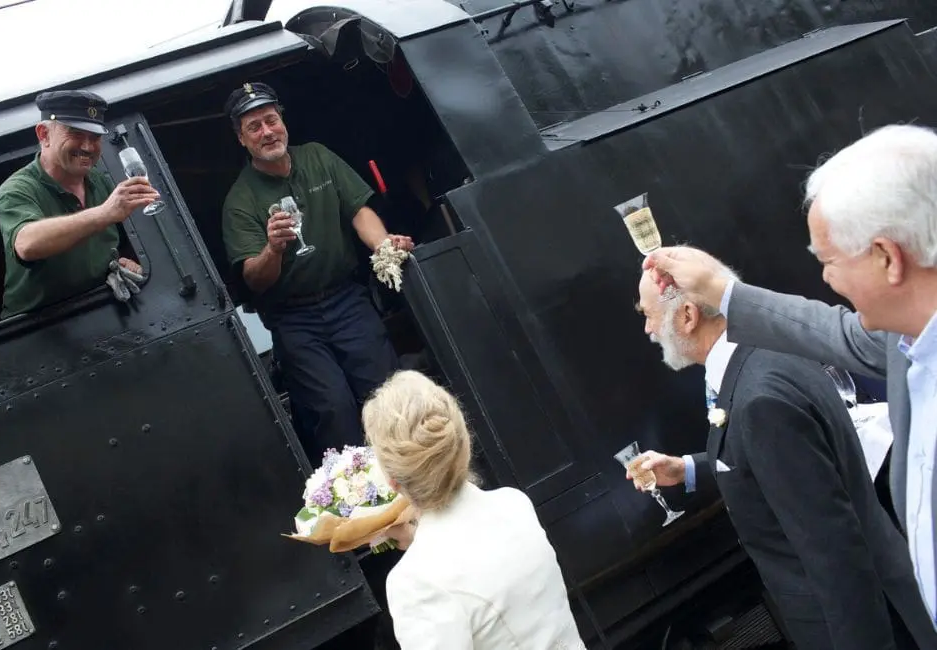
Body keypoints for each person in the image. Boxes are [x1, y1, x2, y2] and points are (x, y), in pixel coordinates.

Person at [643, 123, 937, 627]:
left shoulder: (762, 394)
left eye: (829, 261)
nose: (825, 279)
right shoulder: (901, 343)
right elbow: (837, 333)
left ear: (888, 257)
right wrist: (721, 289)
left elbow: (833, 546)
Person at [629, 264, 936, 649]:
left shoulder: (759, 401)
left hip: (855, 623)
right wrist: (688, 469)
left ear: (688, 316)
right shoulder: (771, 351)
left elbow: (834, 554)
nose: (649, 329)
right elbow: (788, 462)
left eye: (649, 315)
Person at [220, 81, 414, 458]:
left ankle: (418, 472)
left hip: (346, 299)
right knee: (333, 410)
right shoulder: (239, 200)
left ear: (282, 121)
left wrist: (384, 245)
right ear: (241, 139)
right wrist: (273, 248)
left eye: (270, 120)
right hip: (295, 319)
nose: (267, 132)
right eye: (254, 127)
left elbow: (358, 209)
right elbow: (254, 279)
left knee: (389, 392)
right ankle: (367, 501)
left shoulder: (317, 157)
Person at [360, 369, 586, 649]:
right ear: (463, 441)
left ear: (392, 481)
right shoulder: (514, 504)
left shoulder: (414, 582)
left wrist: (421, 549)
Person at [0, 89, 156, 318]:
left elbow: (120, 242)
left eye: (95, 137)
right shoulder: (17, 189)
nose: (88, 147)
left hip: (98, 310)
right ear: (44, 134)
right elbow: (27, 244)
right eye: (76, 134)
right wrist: (104, 213)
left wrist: (127, 263)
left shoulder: (100, 182)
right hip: (35, 329)